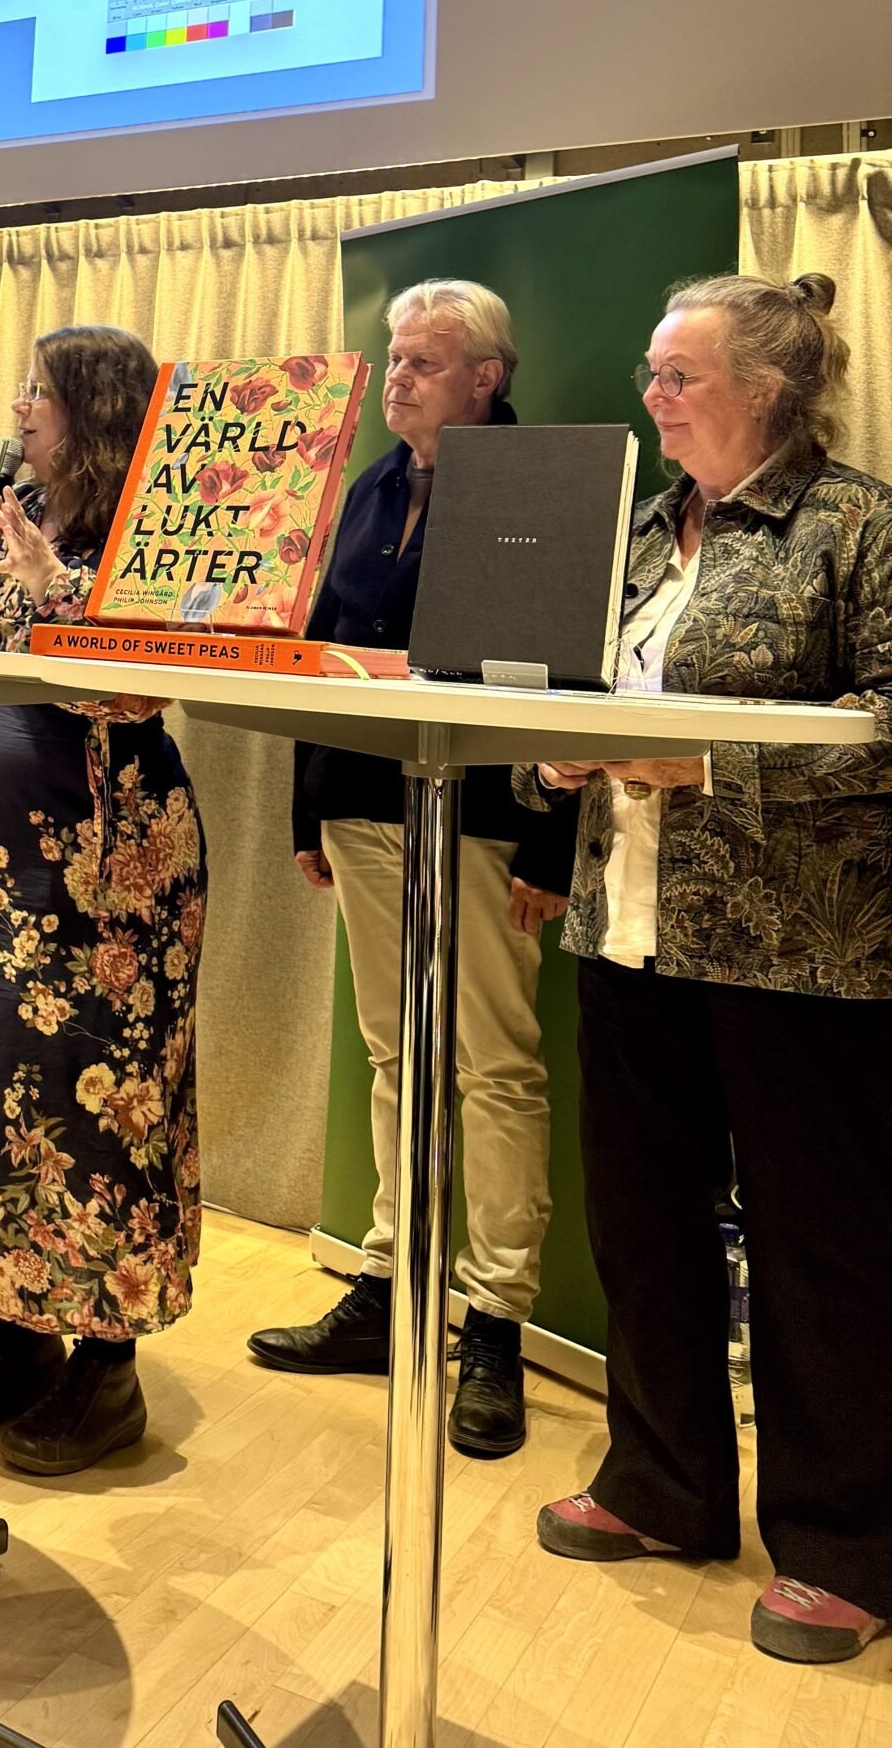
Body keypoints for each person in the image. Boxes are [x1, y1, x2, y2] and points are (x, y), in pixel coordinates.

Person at [524, 273, 892, 1667]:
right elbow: (560, 694)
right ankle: (662, 1484)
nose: (652, 396)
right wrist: (556, 753)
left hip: (802, 957)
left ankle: (844, 1546)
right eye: (652, 370)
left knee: (820, 1251)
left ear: (768, 393)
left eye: (679, 375)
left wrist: (709, 764)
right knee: (641, 1222)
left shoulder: (857, 526)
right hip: (626, 928)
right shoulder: (633, 535)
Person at [247, 280, 576, 1457]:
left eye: (424, 362)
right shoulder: (367, 489)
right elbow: (320, 651)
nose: (397, 378)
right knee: (397, 1054)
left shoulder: (537, 483)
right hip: (362, 807)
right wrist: (309, 805)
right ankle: (391, 1287)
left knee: (493, 1064)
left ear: (487, 376)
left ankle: (493, 1322)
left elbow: (563, 674)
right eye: (393, 358)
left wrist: (552, 840)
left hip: (488, 816)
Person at [0, 325, 207, 1476]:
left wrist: (53, 586)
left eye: (40, 390)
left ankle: (108, 1368)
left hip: (105, 880)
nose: (20, 406)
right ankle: (21, 1331)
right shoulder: (21, 505)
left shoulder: (154, 525)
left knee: (99, 1109)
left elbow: (144, 684)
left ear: (96, 409)